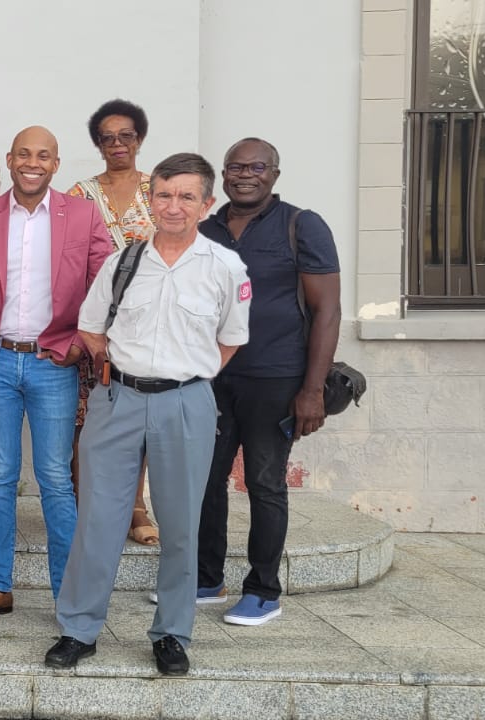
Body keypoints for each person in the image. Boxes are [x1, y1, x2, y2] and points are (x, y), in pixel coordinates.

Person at [48, 152, 251, 677]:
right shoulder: (125, 261)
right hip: (118, 400)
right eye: (164, 194)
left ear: (207, 204)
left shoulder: (225, 268)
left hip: (186, 402)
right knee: (98, 519)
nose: (174, 206)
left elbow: (230, 340)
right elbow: (92, 329)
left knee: (181, 523)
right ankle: (78, 629)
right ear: (150, 199)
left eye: (187, 196)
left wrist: (185, 375)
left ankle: (171, 633)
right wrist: (122, 371)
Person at [0, 126, 111, 625]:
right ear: (10, 160)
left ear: (56, 163)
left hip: (52, 362)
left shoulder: (83, 214)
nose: (32, 162)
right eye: (24, 154)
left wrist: (81, 344)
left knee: (54, 481)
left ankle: (69, 594)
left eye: (43, 155)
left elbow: (105, 285)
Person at [196, 138, 340, 626]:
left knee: (263, 481)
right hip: (213, 377)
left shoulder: (301, 225)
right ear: (224, 173)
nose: (245, 175)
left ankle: (262, 590)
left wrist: (313, 390)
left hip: (276, 376)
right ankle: (205, 577)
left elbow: (327, 311)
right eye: (235, 167)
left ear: (274, 174)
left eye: (256, 167)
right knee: (206, 478)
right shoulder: (205, 229)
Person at [67, 99, 160, 546]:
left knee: (137, 418)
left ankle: (136, 506)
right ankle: (87, 507)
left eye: (126, 135)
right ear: (98, 144)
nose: (117, 144)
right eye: (108, 137)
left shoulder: (158, 191)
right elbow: (65, 264)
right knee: (86, 420)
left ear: (139, 139)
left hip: (146, 328)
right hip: (94, 328)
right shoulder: (79, 195)